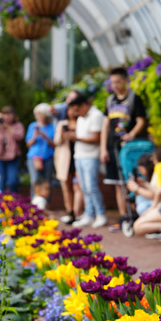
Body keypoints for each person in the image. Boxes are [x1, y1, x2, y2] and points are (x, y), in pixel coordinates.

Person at [100, 67, 147, 232]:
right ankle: (123, 216)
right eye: (112, 82)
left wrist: (132, 134)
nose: (115, 85)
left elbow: (141, 121)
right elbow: (105, 125)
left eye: (118, 81)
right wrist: (103, 148)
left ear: (126, 80)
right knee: (117, 183)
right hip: (113, 147)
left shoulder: (134, 98)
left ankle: (136, 213)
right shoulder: (109, 101)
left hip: (130, 148)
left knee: (131, 179)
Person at [65, 94, 107, 228]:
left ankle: (100, 214)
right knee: (84, 187)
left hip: (91, 156)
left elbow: (96, 138)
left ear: (84, 105)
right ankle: (89, 215)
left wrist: (76, 137)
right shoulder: (81, 118)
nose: (76, 113)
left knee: (91, 187)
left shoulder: (96, 115)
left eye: (77, 110)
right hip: (79, 156)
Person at [54, 92, 84, 224]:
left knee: (80, 186)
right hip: (66, 160)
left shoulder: (82, 122)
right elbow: (57, 142)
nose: (72, 112)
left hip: (79, 157)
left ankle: (78, 212)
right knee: (67, 187)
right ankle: (70, 211)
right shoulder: (62, 124)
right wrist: (62, 134)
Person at [25, 103, 56, 198]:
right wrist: (35, 135)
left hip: (48, 157)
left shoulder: (52, 127)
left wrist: (44, 136)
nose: (39, 116)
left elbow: (54, 144)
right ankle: (35, 203)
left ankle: (46, 203)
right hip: (34, 158)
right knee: (35, 180)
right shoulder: (32, 126)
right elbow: (28, 144)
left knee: (47, 180)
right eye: (37, 114)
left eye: (41, 114)